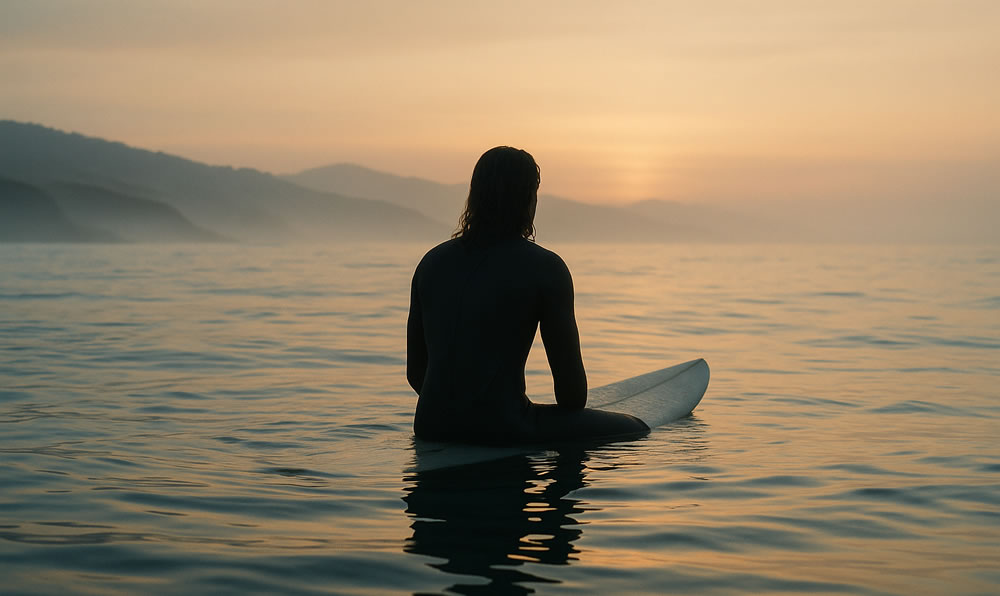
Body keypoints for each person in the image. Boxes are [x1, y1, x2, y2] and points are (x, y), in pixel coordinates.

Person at [407, 146, 648, 444]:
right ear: (527, 199)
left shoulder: (431, 263)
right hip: (505, 428)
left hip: (430, 426)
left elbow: (416, 373)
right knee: (637, 428)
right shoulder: (546, 268)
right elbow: (573, 397)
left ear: (474, 195)